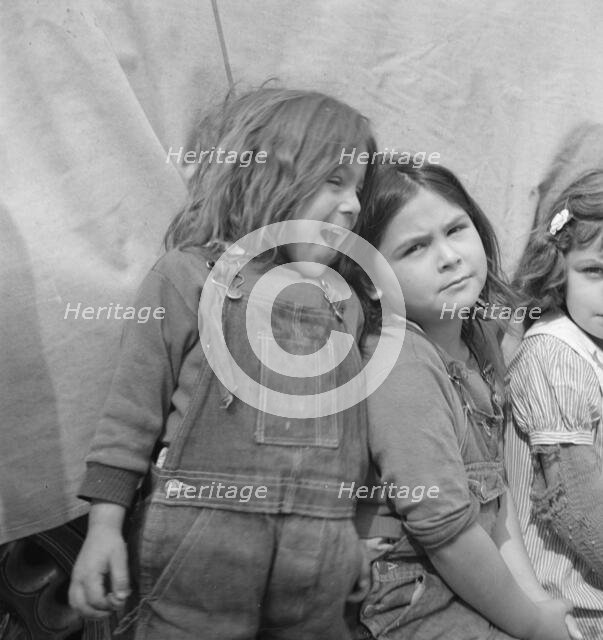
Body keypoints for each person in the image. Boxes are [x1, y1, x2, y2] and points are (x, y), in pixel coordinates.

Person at [68, 87, 377, 640]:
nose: (353, 204)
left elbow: (352, 439)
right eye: (334, 181)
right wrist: (105, 528)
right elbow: (129, 416)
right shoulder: (188, 277)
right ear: (268, 177)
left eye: (357, 187)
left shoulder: (343, 304)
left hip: (320, 549)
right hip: (203, 544)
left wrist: (349, 533)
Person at [347, 161, 577, 639]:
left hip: (473, 578)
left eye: (456, 229)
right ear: (371, 279)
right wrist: (532, 625)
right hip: (410, 594)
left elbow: (495, 501)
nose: (449, 257)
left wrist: (538, 605)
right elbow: (447, 534)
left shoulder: (478, 338)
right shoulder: (400, 360)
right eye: (415, 247)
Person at [505, 169, 603, 639]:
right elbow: (578, 506)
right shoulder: (556, 354)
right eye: (595, 271)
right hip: (574, 609)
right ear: (559, 268)